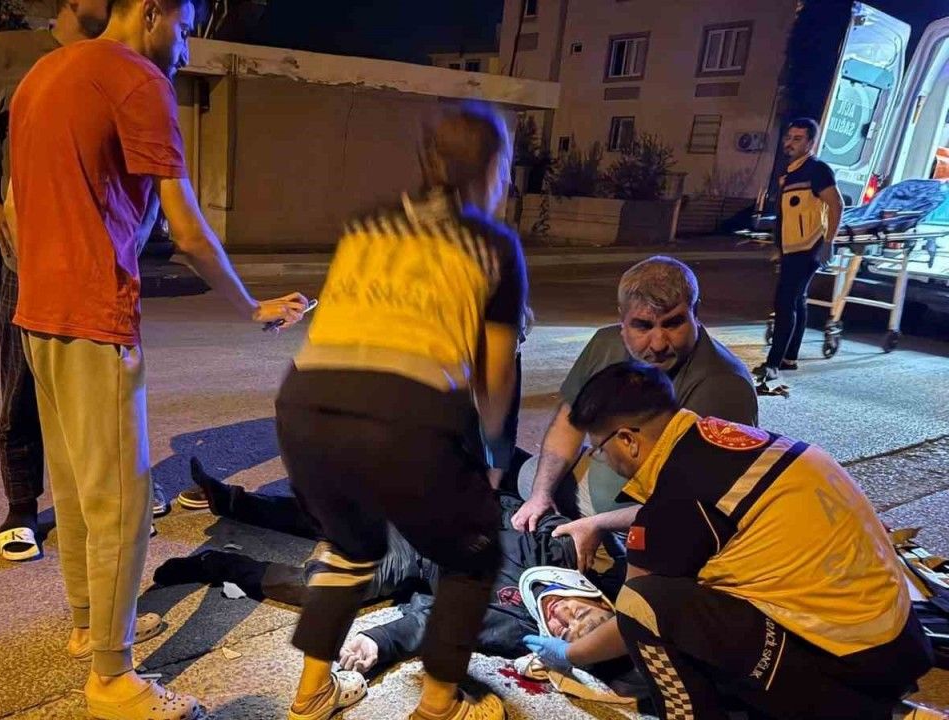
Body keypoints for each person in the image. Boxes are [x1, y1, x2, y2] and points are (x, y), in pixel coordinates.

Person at [7, 0, 308, 717]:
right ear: (150, 12)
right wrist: (252, 307)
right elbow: (189, 229)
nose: (186, 48)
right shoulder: (138, 80)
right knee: (122, 502)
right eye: (185, 26)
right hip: (93, 318)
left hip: (37, 313)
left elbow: (14, 207)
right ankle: (112, 680)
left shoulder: (41, 76)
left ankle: (88, 628)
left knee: (76, 487)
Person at [275, 102, 526, 720]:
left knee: (351, 546)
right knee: (472, 554)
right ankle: (439, 705)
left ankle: (312, 693)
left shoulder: (367, 224)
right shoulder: (493, 246)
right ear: (493, 170)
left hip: (304, 407)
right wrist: (489, 458)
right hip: (406, 418)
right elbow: (494, 382)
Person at [523, 361, 935, 720]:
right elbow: (698, 515)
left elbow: (634, 615)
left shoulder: (679, 495)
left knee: (644, 604)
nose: (602, 459)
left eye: (598, 449)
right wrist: (597, 523)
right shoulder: (719, 440)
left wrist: (568, 654)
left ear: (627, 440)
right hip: (896, 642)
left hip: (849, 664)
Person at [0, 0, 171, 565]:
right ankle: (22, 505)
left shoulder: (129, 64)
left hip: (105, 271)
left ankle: (110, 504)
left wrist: (137, 232)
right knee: (24, 391)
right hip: (32, 265)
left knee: (103, 396)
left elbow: (148, 168)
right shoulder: (17, 55)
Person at [152, 456, 621, 678]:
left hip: (411, 558)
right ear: (597, 599)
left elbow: (435, 621)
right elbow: (505, 506)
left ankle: (219, 564)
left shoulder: (516, 625)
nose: (560, 615)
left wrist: (377, 641)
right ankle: (233, 502)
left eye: (563, 631)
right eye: (579, 613)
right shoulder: (564, 550)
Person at [510, 257, 756, 573]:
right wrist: (541, 495)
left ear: (696, 313)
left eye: (673, 324)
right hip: (614, 485)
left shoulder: (723, 384)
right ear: (622, 320)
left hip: (673, 510)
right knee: (533, 476)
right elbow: (568, 423)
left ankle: (611, 550)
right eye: (643, 326)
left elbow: (701, 503)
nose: (659, 343)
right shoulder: (605, 343)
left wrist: (600, 524)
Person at [754, 118, 843, 385]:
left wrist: (829, 241)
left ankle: (773, 363)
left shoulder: (818, 170)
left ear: (810, 143)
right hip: (792, 247)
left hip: (808, 247)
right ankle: (789, 357)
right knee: (797, 300)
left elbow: (836, 204)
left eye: (797, 138)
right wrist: (778, 245)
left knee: (785, 302)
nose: (789, 142)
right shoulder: (791, 171)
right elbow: (786, 214)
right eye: (788, 137)